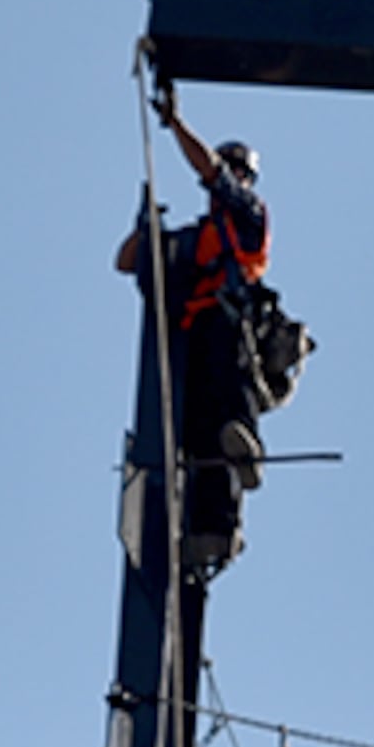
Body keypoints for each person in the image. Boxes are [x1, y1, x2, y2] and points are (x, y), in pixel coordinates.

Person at [115, 80, 272, 565]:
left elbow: (211, 173)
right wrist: (147, 229)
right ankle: (205, 531)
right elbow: (126, 262)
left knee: (230, 413)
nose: (233, 179)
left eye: (238, 172)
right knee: (201, 434)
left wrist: (176, 124)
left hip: (226, 322)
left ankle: (239, 471)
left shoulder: (247, 215)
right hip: (194, 334)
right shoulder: (196, 237)